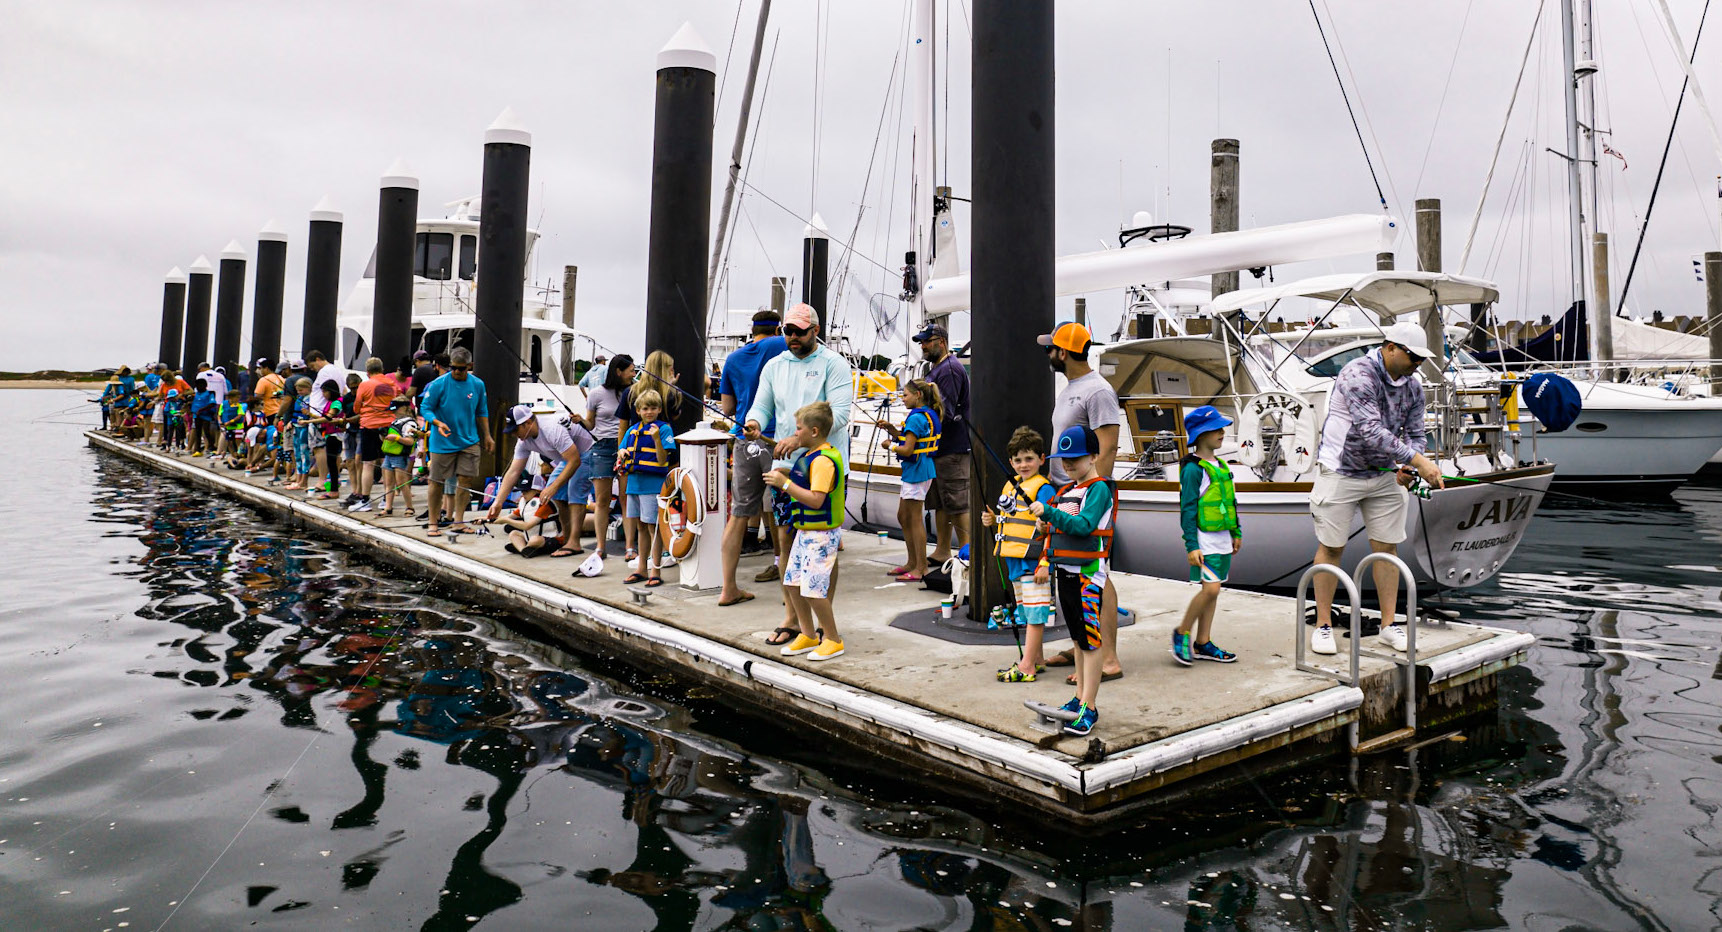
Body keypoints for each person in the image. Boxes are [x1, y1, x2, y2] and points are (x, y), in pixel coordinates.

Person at [1308, 321, 1444, 656]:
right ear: (1390, 348)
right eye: (1413, 356)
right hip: (1341, 470)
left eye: (1422, 359)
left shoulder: (1413, 386)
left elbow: (1415, 433)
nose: (1418, 363)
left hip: (1383, 473)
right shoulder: (1358, 375)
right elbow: (1369, 429)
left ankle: (1388, 625)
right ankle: (1323, 625)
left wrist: (1410, 466)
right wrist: (1419, 461)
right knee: (1332, 548)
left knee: (1387, 548)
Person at [744, 303, 854, 646]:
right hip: (785, 469)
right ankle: (794, 619)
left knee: (824, 545)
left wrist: (798, 438)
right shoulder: (774, 366)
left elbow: (840, 414)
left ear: (815, 331)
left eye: (799, 331)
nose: (792, 336)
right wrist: (754, 423)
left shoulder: (834, 364)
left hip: (825, 468)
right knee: (786, 543)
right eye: (787, 331)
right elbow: (761, 405)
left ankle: (824, 618)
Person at [1037, 321, 1125, 685]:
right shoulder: (1070, 388)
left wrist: (1092, 496)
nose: (1047, 354)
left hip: (1086, 498)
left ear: (1064, 352)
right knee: (1073, 577)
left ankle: (1108, 657)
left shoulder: (1098, 391)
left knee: (1096, 575)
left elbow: (1107, 447)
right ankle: (1083, 646)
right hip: (1065, 494)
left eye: (1051, 348)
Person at [1029, 425, 1118, 737]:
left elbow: (1084, 525)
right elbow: (1059, 528)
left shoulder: (1098, 490)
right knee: (1078, 641)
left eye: (1075, 459)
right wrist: (1044, 526)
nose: (1068, 465)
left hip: (1087, 576)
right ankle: (1079, 696)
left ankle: (1089, 707)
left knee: (1091, 642)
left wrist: (1050, 515)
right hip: (1065, 574)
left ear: (1093, 456)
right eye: (1063, 459)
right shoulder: (1066, 492)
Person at [766, 401, 847, 662]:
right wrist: (788, 472)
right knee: (792, 582)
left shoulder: (823, 461)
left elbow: (816, 499)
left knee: (813, 589)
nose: (795, 433)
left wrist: (785, 483)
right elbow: (806, 479)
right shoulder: (811, 455)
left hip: (821, 536)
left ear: (814, 431)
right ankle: (808, 633)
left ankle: (833, 639)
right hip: (805, 533)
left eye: (798, 429)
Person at [717, 310, 787, 607]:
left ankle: (728, 588)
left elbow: (728, 406)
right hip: (775, 438)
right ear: (779, 327)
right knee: (783, 514)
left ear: (753, 329)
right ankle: (788, 588)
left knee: (739, 515)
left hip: (744, 439)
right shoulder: (782, 344)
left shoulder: (733, 359)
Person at [982, 427, 1057, 683]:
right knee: (1026, 611)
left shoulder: (1044, 489)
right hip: (1016, 562)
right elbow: (1012, 520)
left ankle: (1026, 666)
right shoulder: (1011, 485)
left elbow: (1051, 528)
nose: (1023, 464)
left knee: (1036, 614)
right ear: (1011, 462)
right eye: (1018, 460)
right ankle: (1038, 659)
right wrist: (992, 519)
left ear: (1041, 459)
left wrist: (1045, 562)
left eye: (1029, 459)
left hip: (1033, 562)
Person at [1173, 406, 1242, 666]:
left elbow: (1231, 502)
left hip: (1223, 539)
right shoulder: (1193, 470)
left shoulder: (1221, 465)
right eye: (1216, 429)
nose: (1222, 433)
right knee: (1210, 589)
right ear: (1201, 434)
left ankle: (1203, 642)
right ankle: (1182, 633)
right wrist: (1191, 544)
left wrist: (1237, 532)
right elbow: (1187, 508)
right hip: (1205, 541)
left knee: (1214, 591)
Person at [489, 403, 595, 558]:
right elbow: (513, 472)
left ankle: (574, 543)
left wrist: (553, 487)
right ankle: (565, 538)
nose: (513, 434)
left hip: (587, 451)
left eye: (515, 430)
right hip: (567, 457)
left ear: (528, 423)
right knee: (556, 494)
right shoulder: (523, 442)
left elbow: (575, 461)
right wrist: (498, 502)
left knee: (575, 492)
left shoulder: (552, 430)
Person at [913, 323, 972, 565]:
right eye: (922, 342)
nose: (923, 346)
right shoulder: (938, 368)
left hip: (952, 449)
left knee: (957, 503)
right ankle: (942, 550)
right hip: (940, 449)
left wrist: (915, 427)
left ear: (942, 341)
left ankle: (969, 554)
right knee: (941, 503)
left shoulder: (948, 370)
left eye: (927, 341)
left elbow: (943, 411)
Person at [418, 346, 493, 537]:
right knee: (436, 482)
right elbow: (425, 408)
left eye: (461, 368)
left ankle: (458, 521)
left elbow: (482, 411)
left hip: (469, 440)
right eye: (453, 368)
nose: (457, 372)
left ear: (470, 366)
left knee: (465, 480)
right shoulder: (438, 384)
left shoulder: (478, 384)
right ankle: (433, 522)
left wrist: (487, 435)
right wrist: (437, 422)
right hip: (442, 442)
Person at [617, 350, 679, 559]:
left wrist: (621, 457)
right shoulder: (671, 394)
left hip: (646, 466)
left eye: (652, 409)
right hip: (656, 467)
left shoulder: (629, 392)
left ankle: (633, 550)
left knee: (642, 517)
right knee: (653, 515)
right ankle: (657, 555)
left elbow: (622, 425)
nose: (648, 412)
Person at [881, 378, 942, 583]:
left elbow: (907, 449)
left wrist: (889, 445)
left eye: (905, 395)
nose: (903, 399)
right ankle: (911, 561)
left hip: (918, 472)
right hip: (917, 470)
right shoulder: (923, 415)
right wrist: (893, 431)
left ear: (918, 395)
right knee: (903, 516)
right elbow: (910, 440)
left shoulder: (916, 418)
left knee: (914, 518)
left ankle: (921, 567)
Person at [575, 354, 633, 567]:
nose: (633, 374)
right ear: (619, 371)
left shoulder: (631, 392)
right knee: (602, 501)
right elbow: (590, 424)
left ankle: (629, 547)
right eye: (631, 370)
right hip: (602, 446)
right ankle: (600, 547)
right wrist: (580, 420)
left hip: (626, 446)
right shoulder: (596, 394)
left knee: (627, 499)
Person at [617, 389, 676, 586]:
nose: (649, 412)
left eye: (653, 408)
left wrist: (657, 439)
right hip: (634, 484)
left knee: (654, 528)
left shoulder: (665, 429)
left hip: (652, 485)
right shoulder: (631, 430)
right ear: (639, 410)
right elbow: (622, 449)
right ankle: (641, 568)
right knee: (641, 527)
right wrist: (622, 451)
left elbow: (662, 462)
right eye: (645, 408)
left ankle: (655, 570)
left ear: (659, 409)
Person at [349, 357, 398, 511]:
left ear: (368, 372)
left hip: (369, 425)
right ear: (382, 369)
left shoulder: (365, 385)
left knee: (368, 464)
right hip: (388, 426)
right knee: (387, 463)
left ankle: (365, 501)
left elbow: (357, 408)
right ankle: (385, 499)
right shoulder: (392, 385)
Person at [378, 397, 420, 517]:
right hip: (389, 455)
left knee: (401, 482)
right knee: (388, 482)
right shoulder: (394, 422)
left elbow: (410, 441)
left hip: (400, 456)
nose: (394, 412)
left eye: (395, 409)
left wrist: (396, 438)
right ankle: (388, 507)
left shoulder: (410, 423)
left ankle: (410, 507)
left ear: (404, 408)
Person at [306, 381, 346, 499]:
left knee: (332, 463)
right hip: (330, 435)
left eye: (325, 391)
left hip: (335, 436)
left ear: (331, 391)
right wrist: (311, 415)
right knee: (331, 463)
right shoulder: (331, 402)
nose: (323, 394)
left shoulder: (337, 403)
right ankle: (333, 488)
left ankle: (334, 491)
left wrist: (308, 421)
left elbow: (328, 417)